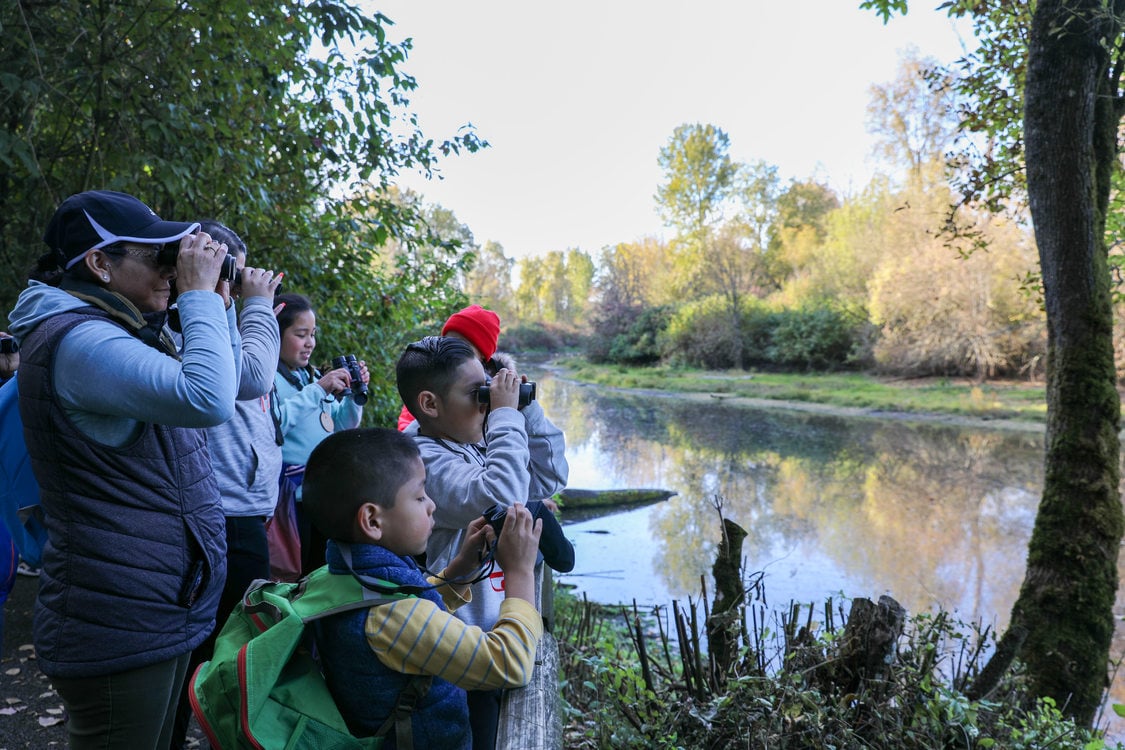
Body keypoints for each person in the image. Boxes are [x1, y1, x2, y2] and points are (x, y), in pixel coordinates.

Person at [7, 189, 237, 750]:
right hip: (116, 614)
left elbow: (242, 380)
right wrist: (200, 296)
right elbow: (209, 397)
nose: (171, 269)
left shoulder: (118, 327)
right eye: (157, 255)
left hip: (150, 604)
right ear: (100, 263)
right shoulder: (82, 341)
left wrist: (219, 304)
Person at [301, 427, 544, 748]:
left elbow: (403, 605)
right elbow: (508, 663)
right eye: (419, 496)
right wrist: (520, 572)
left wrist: (460, 569)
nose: (431, 506)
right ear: (372, 521)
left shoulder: (338, 573)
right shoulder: (392, 617)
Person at [395, 335, 569, 749]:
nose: (487, 402)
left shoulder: (471, 441)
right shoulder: (423, 461)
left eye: (488, 389)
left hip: (501, 631)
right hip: (465, 653)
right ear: (430, 404)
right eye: (477, 394)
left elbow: (549, 479)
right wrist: (505, 417)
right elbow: (503, 497)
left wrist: (527, 411)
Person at [168, 220, 283, 749]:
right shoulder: (183, 319)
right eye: (224, 267)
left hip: (239, 507)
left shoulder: (212, 313)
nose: (231, 281)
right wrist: (255, 303)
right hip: (217, 510)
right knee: (226, 649)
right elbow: (253, 377)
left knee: (230, 647)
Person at [273, 292, 369, 575]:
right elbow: (275, 424)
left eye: (312, 334)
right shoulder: (267, 380)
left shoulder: (311, 376)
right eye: (301, 334)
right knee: (292, 576)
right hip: (289, 502)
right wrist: (318, 390)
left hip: (322, 497)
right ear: (274, 334)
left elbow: (342, 426)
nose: (310, 343)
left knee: (321, 574)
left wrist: (353, 395)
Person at [395, 304, 515, 432]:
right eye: (448, 342)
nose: (454, 351)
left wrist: (516, 409)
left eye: (464, 348)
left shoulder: (498, 389)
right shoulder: (430, 379)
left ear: (481, 358)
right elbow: (406, 424)